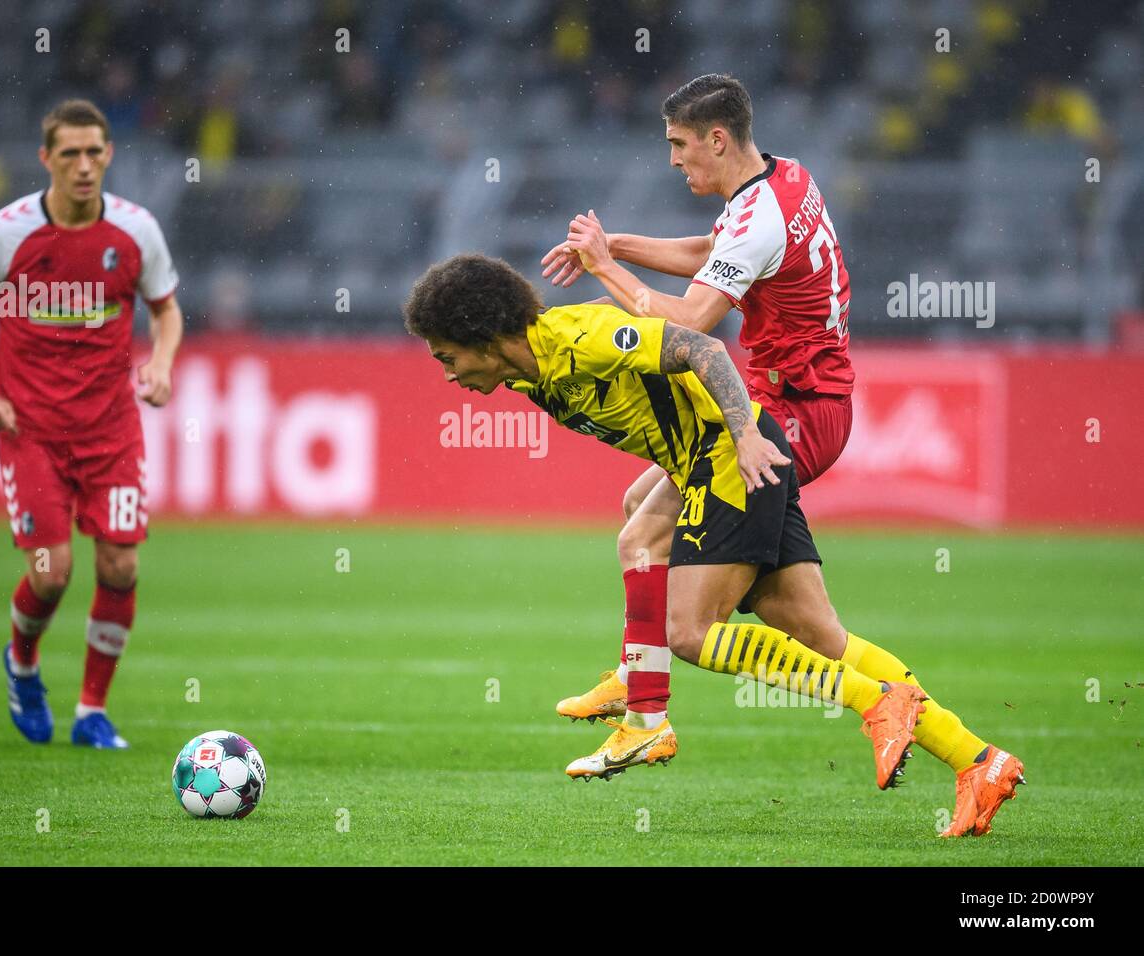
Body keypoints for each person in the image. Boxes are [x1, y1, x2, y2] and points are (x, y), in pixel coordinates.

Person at [403, 253, 1024, 837]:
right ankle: (979, 760)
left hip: (734, 452)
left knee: (689, 630)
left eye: (447, 355)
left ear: (482, 335)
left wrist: (745, 435)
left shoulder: (580, 338)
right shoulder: (525, 377)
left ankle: (842, 702)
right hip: (709, 456)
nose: (448, 372)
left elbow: (701, 347)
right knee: (816, 634)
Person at [540, 73, 858, 755]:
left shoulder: (761, 216)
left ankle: (644, 699)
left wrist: (605, 271)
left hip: (795, 413)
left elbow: (689, 322)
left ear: (718, 138)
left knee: (663, 577)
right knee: (809, 624)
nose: (674, 159)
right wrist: (616, 245)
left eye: (680, 144)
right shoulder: (782, 182)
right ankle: (934, 729)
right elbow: (713, 257)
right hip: (788, 398)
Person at [0, 99, 183, 750]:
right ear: (46, 159)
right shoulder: (8, 233)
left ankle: (92, 712)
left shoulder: (135, 232)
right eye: (70, 154)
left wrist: (160, 364)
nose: (84, 166)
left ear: (109, 155)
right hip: (34, 432)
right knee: (51, 573)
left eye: (94, 152)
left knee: (120, 567)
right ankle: (22, 662)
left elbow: (166, 310)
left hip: (111, 429)